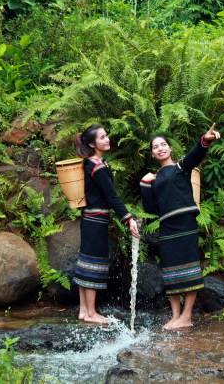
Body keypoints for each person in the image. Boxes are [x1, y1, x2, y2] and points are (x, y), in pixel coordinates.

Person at [140, 123, 220, 330]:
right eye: (155, 147)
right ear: (152, 154)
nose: (160, 148)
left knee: (190, 268)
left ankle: (186, 316)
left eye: (163, 144)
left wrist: (205, 140)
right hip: (167, 227)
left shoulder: (180, 167)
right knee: (169, 271)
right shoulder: (155, 178)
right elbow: (151, 208)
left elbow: (195, 155)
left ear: (170, 147)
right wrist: (145, 184)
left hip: (185, 224)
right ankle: (175, 316)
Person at [73, 123, 140, 324]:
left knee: (85, 261)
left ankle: (84, 310)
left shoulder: (89, 163)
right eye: (102, 137)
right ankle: (91, 313)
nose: (107, 139)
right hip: (96, 221)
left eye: (106, 135)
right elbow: (111, 197)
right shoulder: (98, 167)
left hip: (88, 219)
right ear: (92, 144)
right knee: (93, 263)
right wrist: (128, 218)